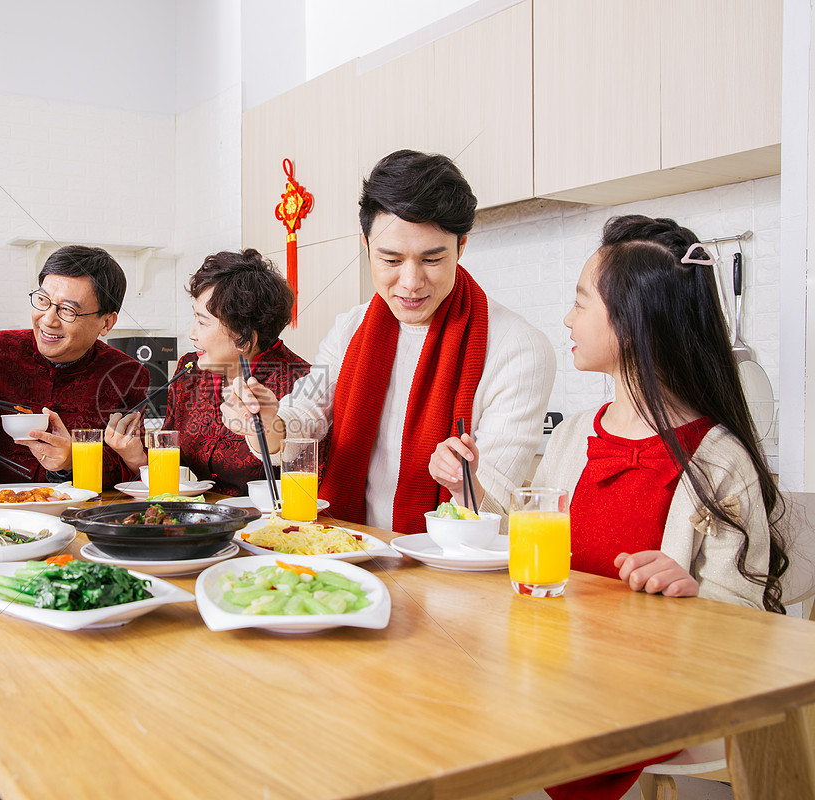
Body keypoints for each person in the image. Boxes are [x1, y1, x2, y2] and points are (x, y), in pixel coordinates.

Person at [508, 215, 789, 800]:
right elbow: (535, 549)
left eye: (581, 303)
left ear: (632, 324)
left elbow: (751, 624)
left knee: (515, 732)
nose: (567, 319)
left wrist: (689, 589)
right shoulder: (577, 434)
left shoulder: (718, 459)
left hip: (657, 684)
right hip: (567, 662)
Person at [222, 150, 555, 532]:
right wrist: (269, 422)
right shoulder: (351, 327)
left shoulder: (518, 348)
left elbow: (495, 510)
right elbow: (307, 412)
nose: (411, 283)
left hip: (448, 567)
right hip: (349, 548)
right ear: (366, 246)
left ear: (461, 246)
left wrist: (462, 480)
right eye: (391, 260)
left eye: (431, 259)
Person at [104, 249, 318, 495]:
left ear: (244, 337)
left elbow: (310, 489)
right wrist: (135, 457)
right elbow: (173, 474)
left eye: (202, 322)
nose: (191, 334)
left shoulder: (303, 384)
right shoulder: (189, 371)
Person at [0, 245, 148, 489]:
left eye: (68, 310)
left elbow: (129, 467)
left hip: (75, 516)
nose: (48, 320)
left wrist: (73, 461)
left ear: (106, 322)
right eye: (42, 300)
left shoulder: (126, 375)